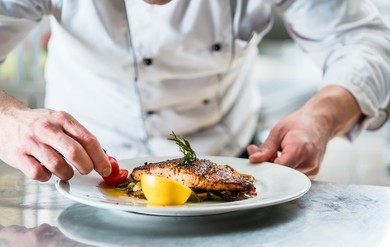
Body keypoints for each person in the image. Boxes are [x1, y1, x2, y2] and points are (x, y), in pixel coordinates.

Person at [0, 0, 389, 182]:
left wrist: (321, 117)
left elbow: (363, 40)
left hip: (233, 168)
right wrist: (10, 119)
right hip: (87, 175)